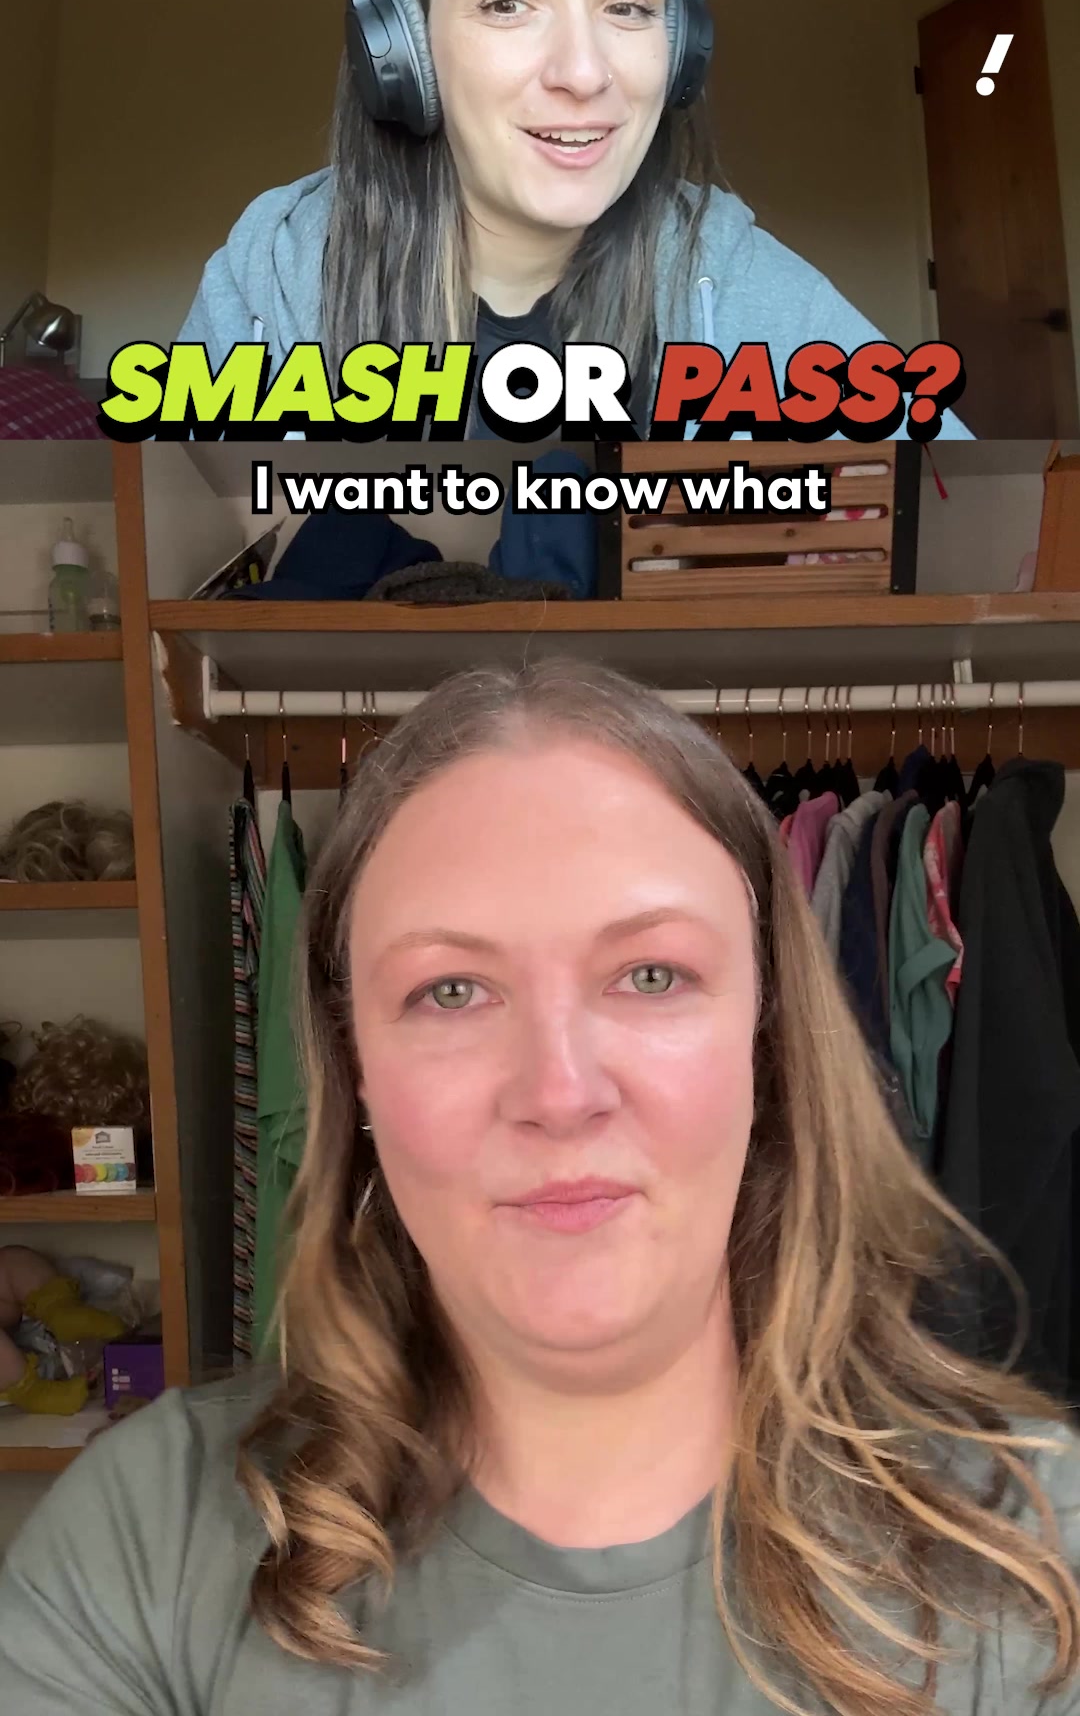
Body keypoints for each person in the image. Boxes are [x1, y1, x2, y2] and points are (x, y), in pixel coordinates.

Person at [1, 655, 1078, 1715]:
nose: (560, 1093)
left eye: (651, 975)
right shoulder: (142, 1543)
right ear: (354, 1066)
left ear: (768, 1037)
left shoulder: (1037, 1551)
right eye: (451, 991)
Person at [174, 0, 974, 440]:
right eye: (507, 4)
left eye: (627, 7)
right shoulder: (275, 274)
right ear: (401, 51)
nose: (584, 72)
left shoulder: (730, 278)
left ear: (681, 50)